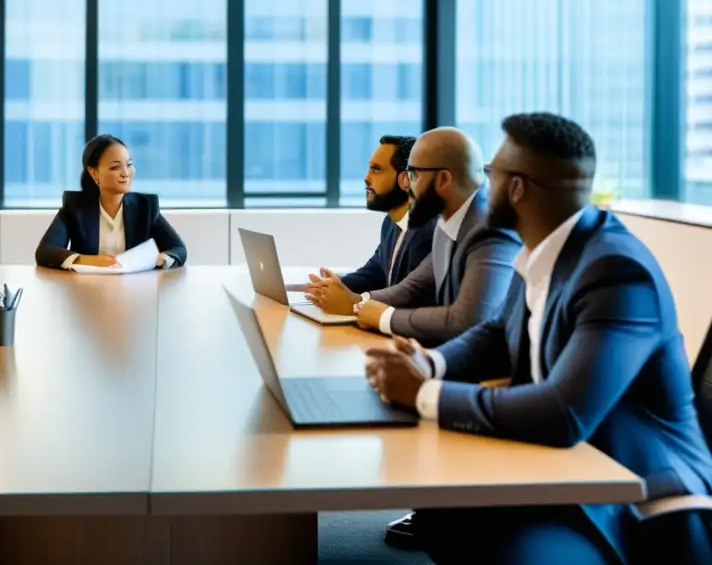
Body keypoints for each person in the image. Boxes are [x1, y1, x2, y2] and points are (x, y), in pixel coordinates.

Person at [365, 113, 712, 565]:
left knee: (500, 540)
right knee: (445, 515)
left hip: (633, 502)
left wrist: (425, 394)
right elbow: (493, 333)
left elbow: (563, 413)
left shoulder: (616, 271)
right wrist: (431, 365)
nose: (482, 185)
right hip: (568, 470)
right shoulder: (541, 250)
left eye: (492, 174)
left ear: (517, 189)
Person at [305, 127, 520, 345]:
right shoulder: (450, 219)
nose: (406, 184)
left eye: (413, 174)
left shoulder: (491, 228)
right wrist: (357, 302)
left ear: (443, 179)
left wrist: (381, 316)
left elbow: (466, 321)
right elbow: (414, 287)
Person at [288, 135, 435, 300]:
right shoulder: (391, 223)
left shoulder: (427, 231)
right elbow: (375, 273)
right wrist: (331, 285)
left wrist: (356, 301)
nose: (367, 177)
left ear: (405, 179)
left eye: (376, 170)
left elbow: (409, 297)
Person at [35, 134, 187, 270]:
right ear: (94, 173)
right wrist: (89, 261)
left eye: (129, 165)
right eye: (115, 167)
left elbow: (178, 248)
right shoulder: (75, 207)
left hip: (135, 291)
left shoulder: (145, 206)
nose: (125, 173)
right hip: (86, 290)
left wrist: (165, 258)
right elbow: (45, 251)